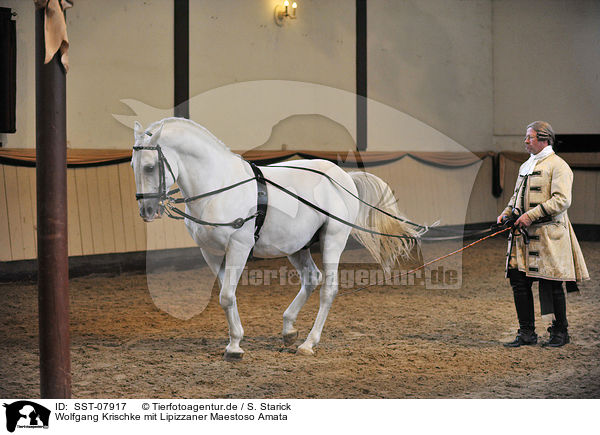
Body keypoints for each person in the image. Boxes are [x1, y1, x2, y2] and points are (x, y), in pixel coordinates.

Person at [497, 121, 589, 348]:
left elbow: (562, 200)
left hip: (548, 235)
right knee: (519, 282)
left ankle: (560, 332)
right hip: (523, 236)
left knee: (552, 283)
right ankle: (526, 332)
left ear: (544, 139)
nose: (525, 141)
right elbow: (516, 196)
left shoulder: (558, 166)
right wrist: (507, 212)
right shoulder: (526, 165)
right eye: (526, 137)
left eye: (530, 137)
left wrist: (530, 215)